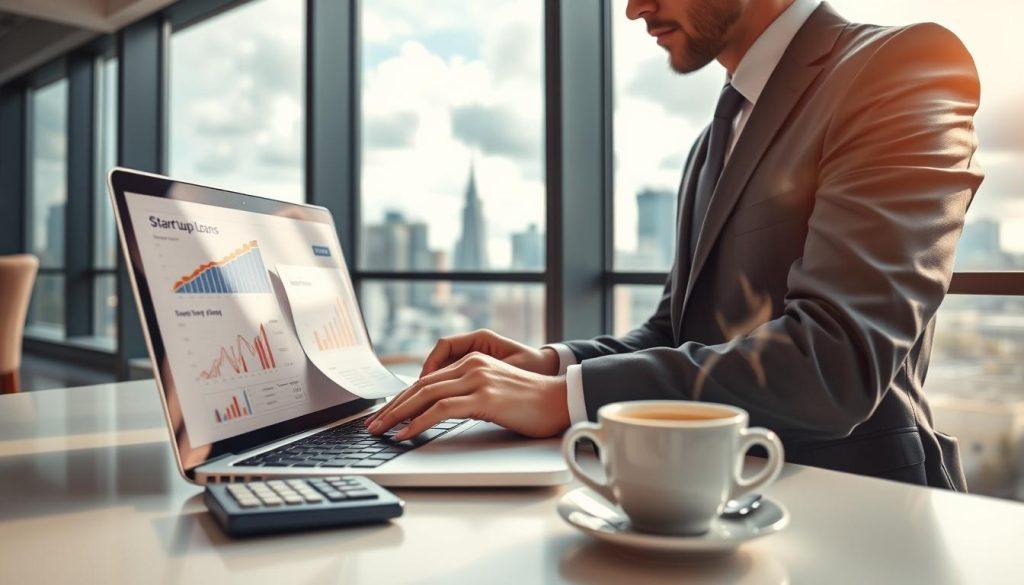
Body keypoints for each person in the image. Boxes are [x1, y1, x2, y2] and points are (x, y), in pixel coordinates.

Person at [367, 0, 983, 490]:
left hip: (857, 516)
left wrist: (566, 399)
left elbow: (835, 362)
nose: (634, 8)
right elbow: (673, 332)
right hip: (699, 505)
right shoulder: (714, 138)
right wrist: (553, 365)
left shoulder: (902, 66)